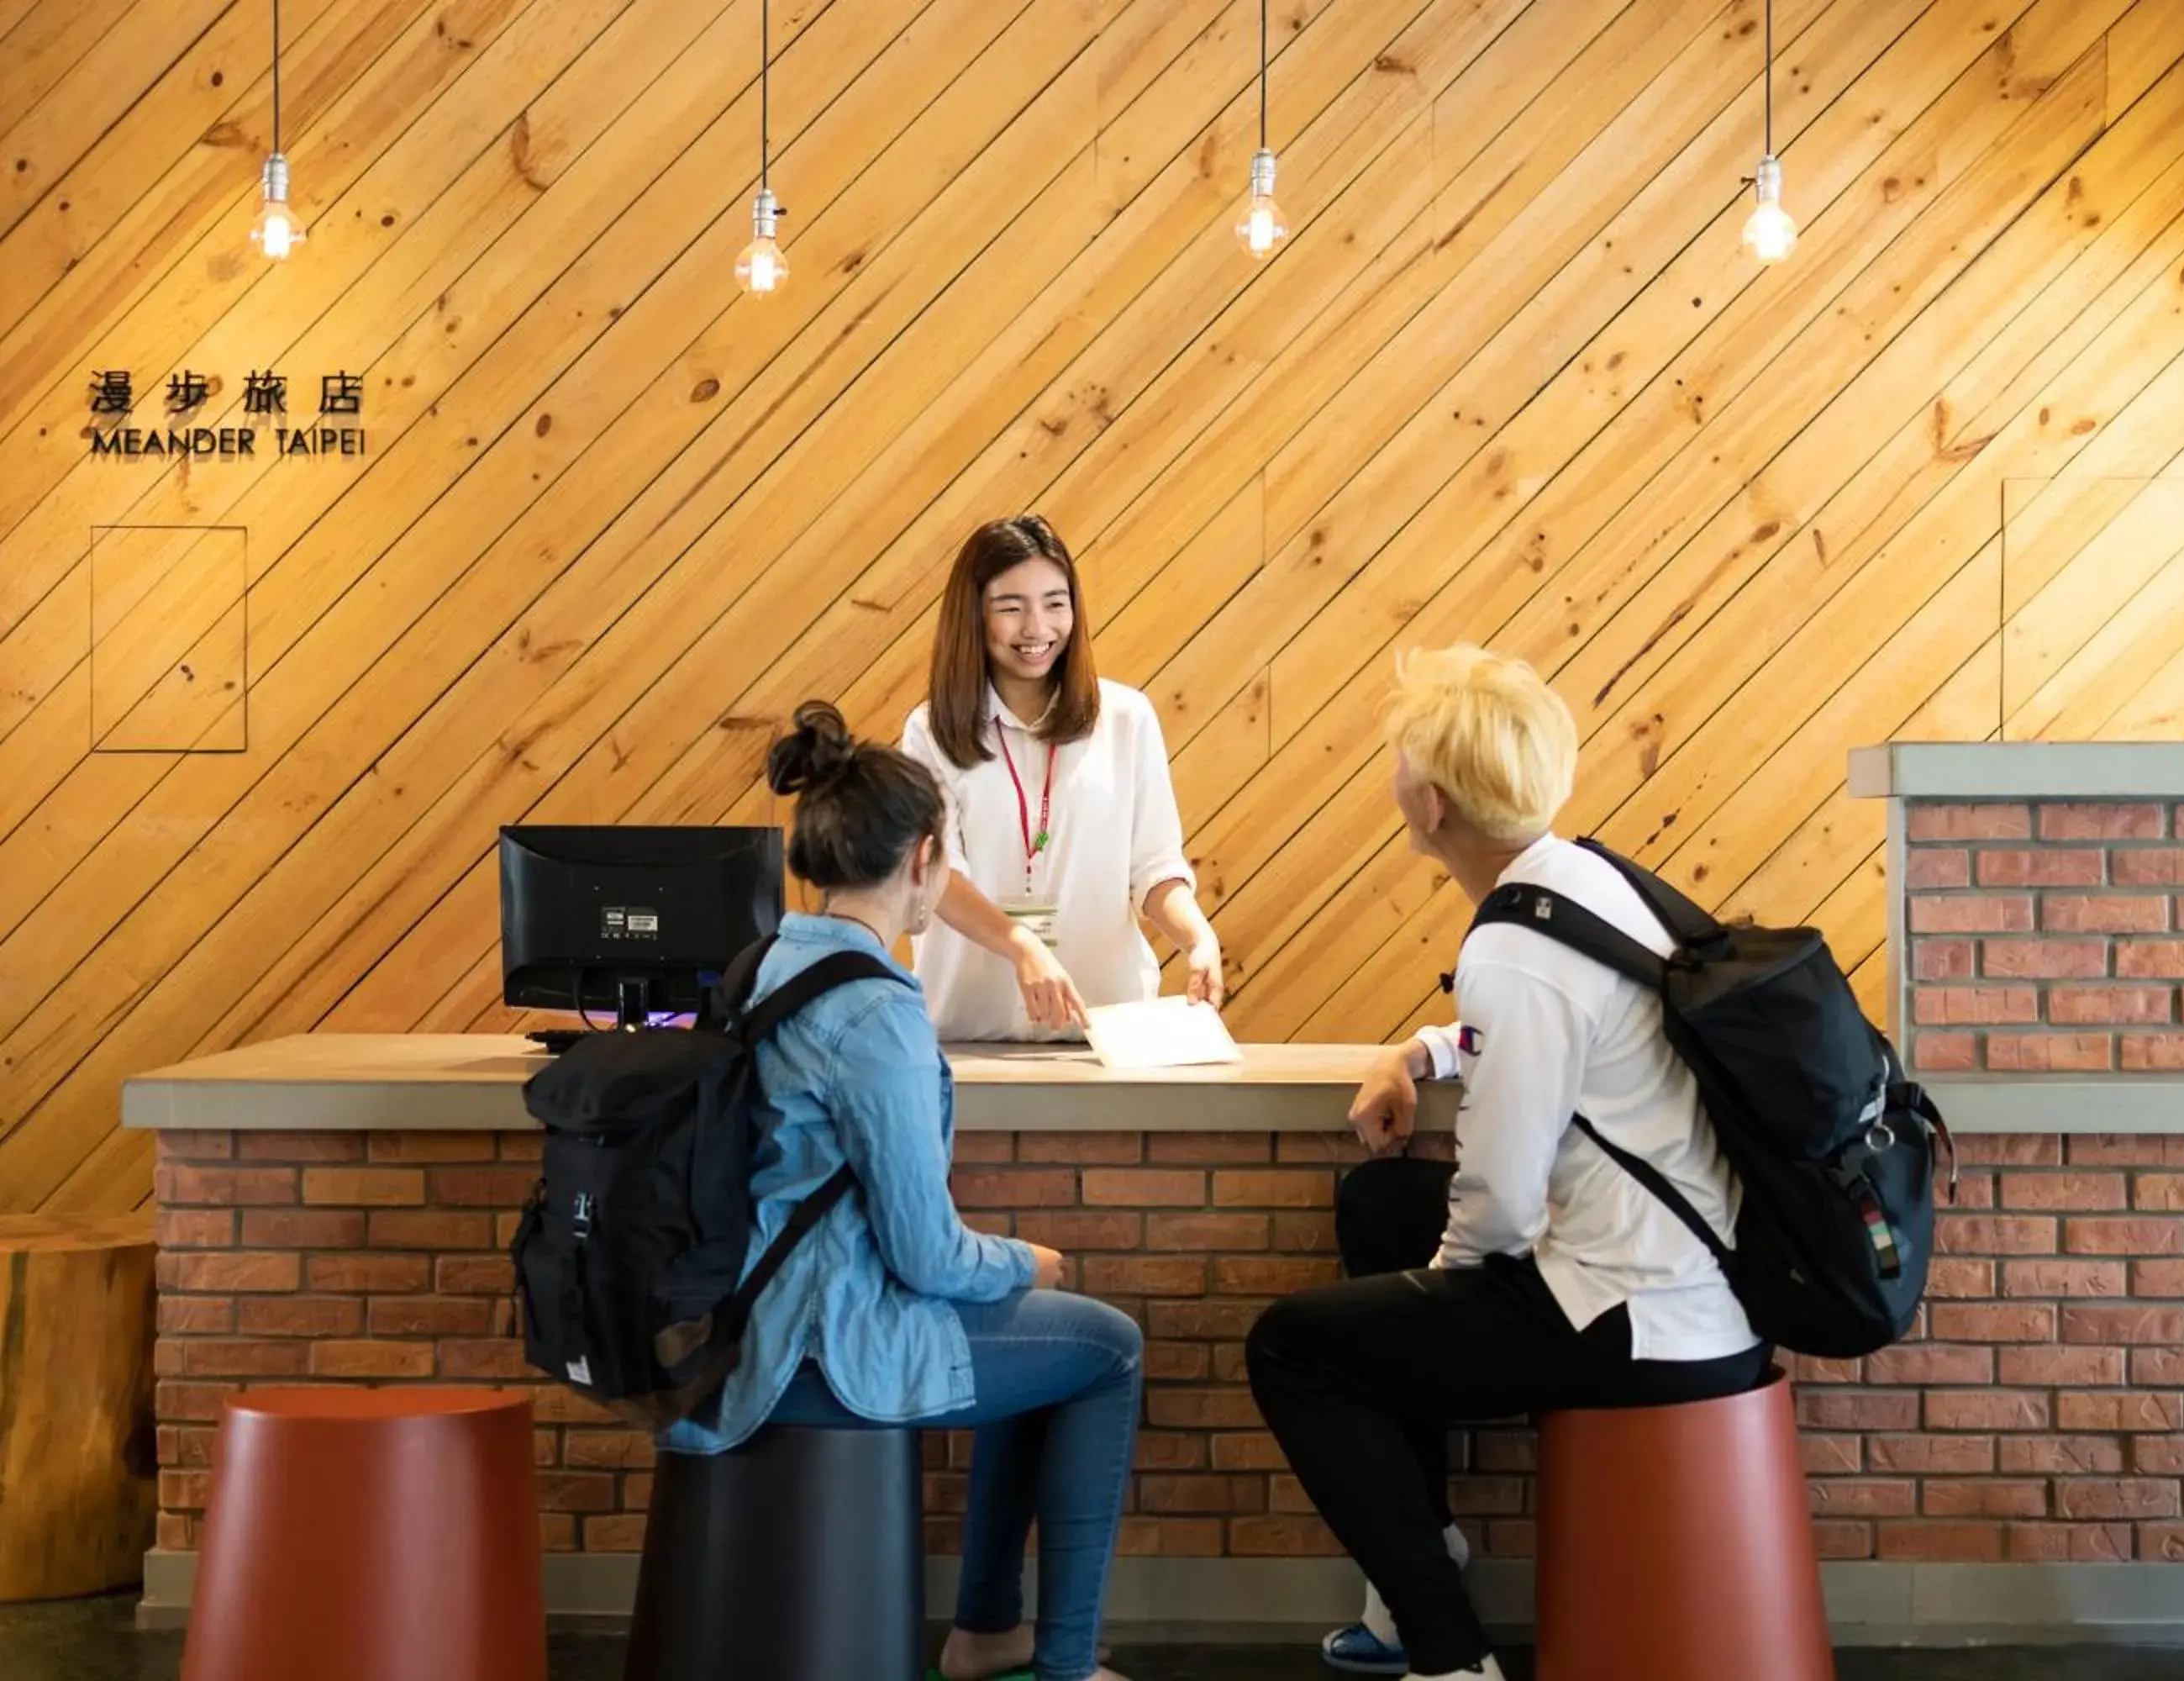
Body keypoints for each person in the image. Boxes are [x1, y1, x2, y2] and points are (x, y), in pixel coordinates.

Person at [1244, 646, 1772, 1681]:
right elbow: (1557, 1041)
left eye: (1400, 760)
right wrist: (1422, 1052)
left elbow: (1497, 1197)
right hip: (1699, 1283)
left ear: (1430, 801)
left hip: (1638, 1319)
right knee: (1380, 1200)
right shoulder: (1589, 881)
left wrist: (1437, 1287)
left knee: (1293, 1349)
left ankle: (1448, 1654)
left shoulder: (1515, 949)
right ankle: (1422, 1555)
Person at [665, 700, 1140, 1681]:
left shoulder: (765, 962)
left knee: (1023, 1316)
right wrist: (1022, 1257)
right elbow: (925, 1253)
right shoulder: (877, 1009)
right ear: (924, 857)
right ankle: (1063, 1661)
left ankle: (987, 1629)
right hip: (826, 1346)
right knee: (1105, 1347)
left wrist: (999, 1273)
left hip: (735, 1322)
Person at [902, 514, 1223, 1040]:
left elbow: (1154, 868)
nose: (1037, 629)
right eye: (1011, 607)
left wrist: (1198, 938)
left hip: (1106, 1036)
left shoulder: (1126, 718)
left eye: (1055, 603)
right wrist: (1021, 944)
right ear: (974, 616)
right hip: (968, 1036)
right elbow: (939, 876)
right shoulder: (929, 731)